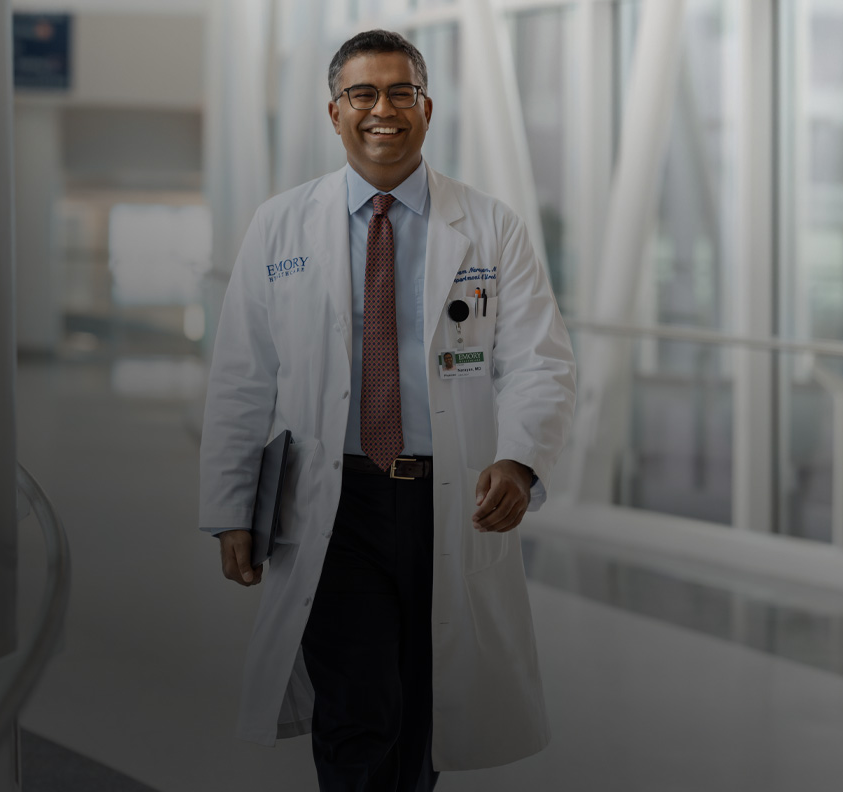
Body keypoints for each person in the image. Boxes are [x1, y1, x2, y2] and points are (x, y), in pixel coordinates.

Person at [198, 29, 576, 791]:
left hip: (448, 498)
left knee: (421, 708)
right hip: (330, 501)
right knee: (358, 706)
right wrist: (230, 506)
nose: (383, 111)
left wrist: (519, 456)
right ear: (333, 113)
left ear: (427, 109)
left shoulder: (489, 227)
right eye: (362, 94)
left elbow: (538, 358)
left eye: (400, 93)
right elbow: (242, 376)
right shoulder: (281, 226)